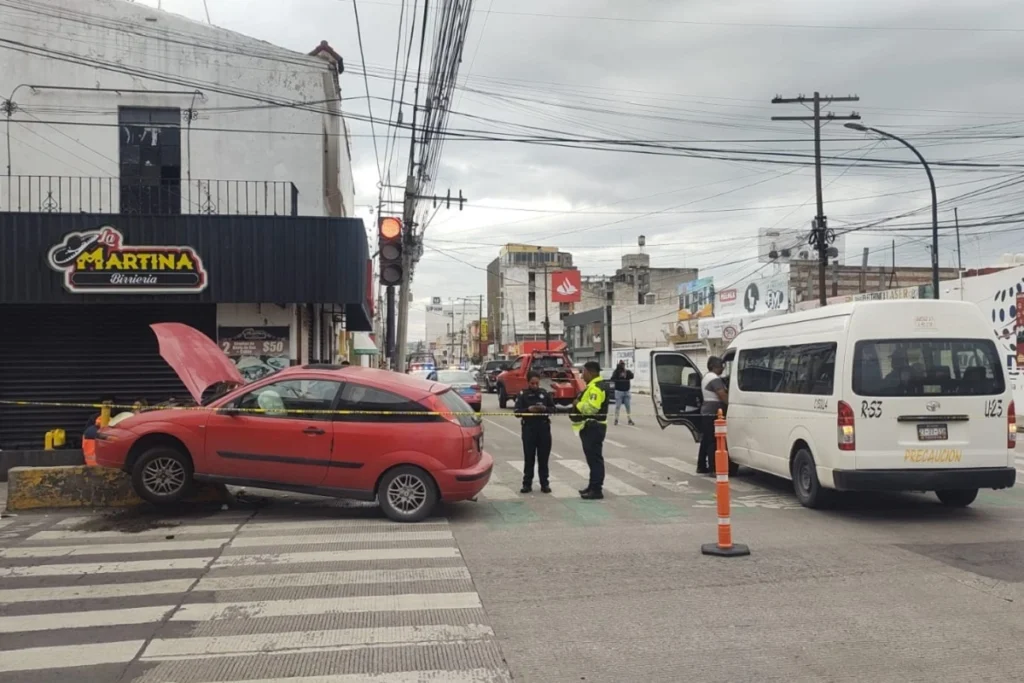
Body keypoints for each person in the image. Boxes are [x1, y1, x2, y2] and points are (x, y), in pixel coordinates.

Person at [570, 361, 609, 499]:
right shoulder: (592, 386)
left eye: (584, 372)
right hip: (590, 427)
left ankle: (596, 489)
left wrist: (578, 404)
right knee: (592, 459)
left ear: (590, 372)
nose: (582, 375)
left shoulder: (596, 388)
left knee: (595, 459)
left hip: (594, 427)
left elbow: (592, 408)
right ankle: (592, 486)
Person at [513, 371, 554, 494]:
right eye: (532, 383)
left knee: (543, 459)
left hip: (543, 429)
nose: (535, 385)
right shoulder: (523, 395)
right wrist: (528, 410)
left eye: (537, 383)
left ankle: (544, 484)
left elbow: (553, 409)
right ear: (528, 382)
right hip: (529, 430)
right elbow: (517, 412)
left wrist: (544, 409)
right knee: (529, 458)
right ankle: (527, 484)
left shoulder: (544, 394)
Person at [697, 356, 729, 474]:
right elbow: (722, 395)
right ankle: (713, 467)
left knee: (706, 440)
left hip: (706, 412)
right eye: (721, 366)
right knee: (712, 441)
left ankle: (701, 465)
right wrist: (730, 404)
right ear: (714, 367)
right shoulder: (714, 379)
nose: (722, 368)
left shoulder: (707, 376)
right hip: (713, 413)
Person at [610, 360, 635, 426]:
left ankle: (629, 419)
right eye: (621, 364)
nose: (622, 366)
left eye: (623, 364)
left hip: (626, 391)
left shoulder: (627, 372)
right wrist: (617, 372)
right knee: (618, 406)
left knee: (628, 406)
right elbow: (612, 379)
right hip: (619, 391)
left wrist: (627, 373)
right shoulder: (616, 372)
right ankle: (616, 419)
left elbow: (632, 376)